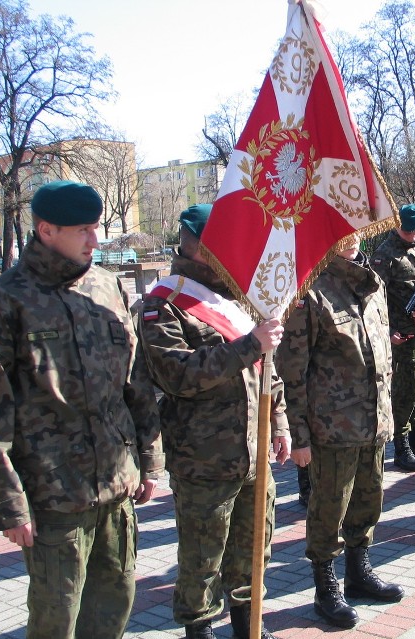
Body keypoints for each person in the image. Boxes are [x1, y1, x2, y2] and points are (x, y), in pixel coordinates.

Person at [0, 180, 164, 639]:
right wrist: (9, 504)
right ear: (47, 230)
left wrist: (149, 460)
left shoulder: (107, 287)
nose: (95, 240)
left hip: (117, 487)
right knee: (56, 620)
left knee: (114, 607)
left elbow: (136, 382)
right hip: (54, 498)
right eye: (84, 230)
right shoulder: (5, 300)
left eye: (97, 228)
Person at [138, 204, 289, 639]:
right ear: (197, 243)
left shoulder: (237, 296)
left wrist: (278, 421)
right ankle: (200, 631)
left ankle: (248, 629)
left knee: (253, 549)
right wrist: (248, 345)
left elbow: (268, 367)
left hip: (252, 452)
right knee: (202, 561)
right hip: (204, 460)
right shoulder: (163, 302)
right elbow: (178, 375)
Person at [276, 234, 404, 630]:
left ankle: (358, 571)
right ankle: (324, 585)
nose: (349, 237)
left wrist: (387, 413)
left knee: (369, 498)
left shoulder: (372, 281)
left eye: (355, 229)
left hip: (374, 419)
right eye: (339, 229)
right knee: (329, 506)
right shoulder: (309, 290)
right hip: (332, 425)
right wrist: (298, 435)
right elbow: (291, 371)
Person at [370, 204, 415, 472]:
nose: (413, 235)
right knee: (405, 391)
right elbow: (375, 301)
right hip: (403, 335)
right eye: (408, 230)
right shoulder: (384, 256)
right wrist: (388, 332)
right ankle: (401, 445)